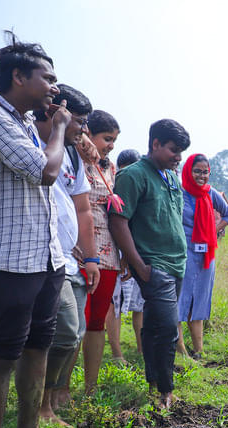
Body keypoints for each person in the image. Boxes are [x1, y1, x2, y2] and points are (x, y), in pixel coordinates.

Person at [0, 34, 74, 428]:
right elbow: (44, 170)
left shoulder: (18, 120)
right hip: (8, 260)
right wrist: (57, 129)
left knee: (38, 345)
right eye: (46, 77)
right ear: (18, 77)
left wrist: (44, 126)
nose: (54, 86)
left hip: (46, 257)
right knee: (0, 355)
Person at [110, 119, 191, 410]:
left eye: (181, 151)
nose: (178, 157)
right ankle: (166, 390)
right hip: (154, 265)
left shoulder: (170, 176)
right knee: (169, 327)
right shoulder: (133, 176)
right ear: (155, 144)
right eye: (173, 150)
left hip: (177, 263)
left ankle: (154, 381)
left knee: (157, 324)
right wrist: (139, 265)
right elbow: (119, 222)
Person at [33, 85, 99, 426]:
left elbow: (83, 209)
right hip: (40, 255)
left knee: (73, 332)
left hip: (70, 260)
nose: (84, 131)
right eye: (80, 122)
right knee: (61, 331)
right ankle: (40, 406)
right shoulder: (30, 140)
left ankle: (53, 397)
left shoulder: (73, 154)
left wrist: (91, 257)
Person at [78, 110, 124, 395]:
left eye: (114, 141)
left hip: (108, 255)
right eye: (107, 139)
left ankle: (90, 387)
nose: (109, 146)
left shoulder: (112, 169)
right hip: (79, 252)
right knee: (73, 326)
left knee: (97, 323)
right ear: (88, 134)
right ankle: (59, 391)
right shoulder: (74, 161)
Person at [176, 154, 228, 358]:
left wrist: (213, 231)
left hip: (205, 255)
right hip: (182, 253)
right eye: (197, 171)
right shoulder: (178, 193)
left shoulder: (211, 194)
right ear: (188, 171)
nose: (201, 176)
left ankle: (199, 349)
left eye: (205, 172)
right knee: (180, 297)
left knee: (200, 298)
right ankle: (180, 348)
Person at [106, 149, 144, 361]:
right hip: (114, 251)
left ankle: (140, 349)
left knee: (139, 303)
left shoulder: (141, 189)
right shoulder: (112, 188)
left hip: (136, 253)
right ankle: (116, 353)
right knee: (115, 304)